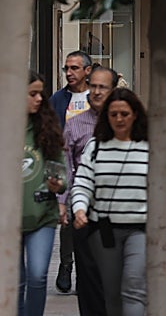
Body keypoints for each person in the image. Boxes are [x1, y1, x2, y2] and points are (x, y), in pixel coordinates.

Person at [71, 89, 166, 316]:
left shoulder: (150, 149)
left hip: (140, 229)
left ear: (135, 115)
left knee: (134, 287)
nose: (119, 119)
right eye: (113, 114)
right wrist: (79, 209)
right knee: (111, 291)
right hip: (104, 229)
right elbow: (82, 183)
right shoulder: (96, 148)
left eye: (124, 114)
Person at [61, 66, 116, 316]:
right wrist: (64, 202)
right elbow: (66, 167)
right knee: (88, 274)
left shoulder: (124, 121)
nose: (95, 91)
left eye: (102, 87)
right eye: (92, 86)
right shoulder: (74, 125)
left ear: (113, 90)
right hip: (84, 211)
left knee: (114, 274)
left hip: (118, 213)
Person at [22, 71, 67, 316]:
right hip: (8, 220)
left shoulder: (47, 129)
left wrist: (57, 184)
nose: (39, 99)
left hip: (42, 216)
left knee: (37, 275)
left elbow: (60, 172)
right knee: (14, 281)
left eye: (41, 93)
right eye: (32, 94)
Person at [49, 50, 91, 295]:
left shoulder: (96, 97)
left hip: (95, 170)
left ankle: (87, 270)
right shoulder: (58, 100)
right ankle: (66, 265)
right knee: (68, 223)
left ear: (87, 70)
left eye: (75, 68)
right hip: (68, 169)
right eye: (67, 68)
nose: (69, 73)